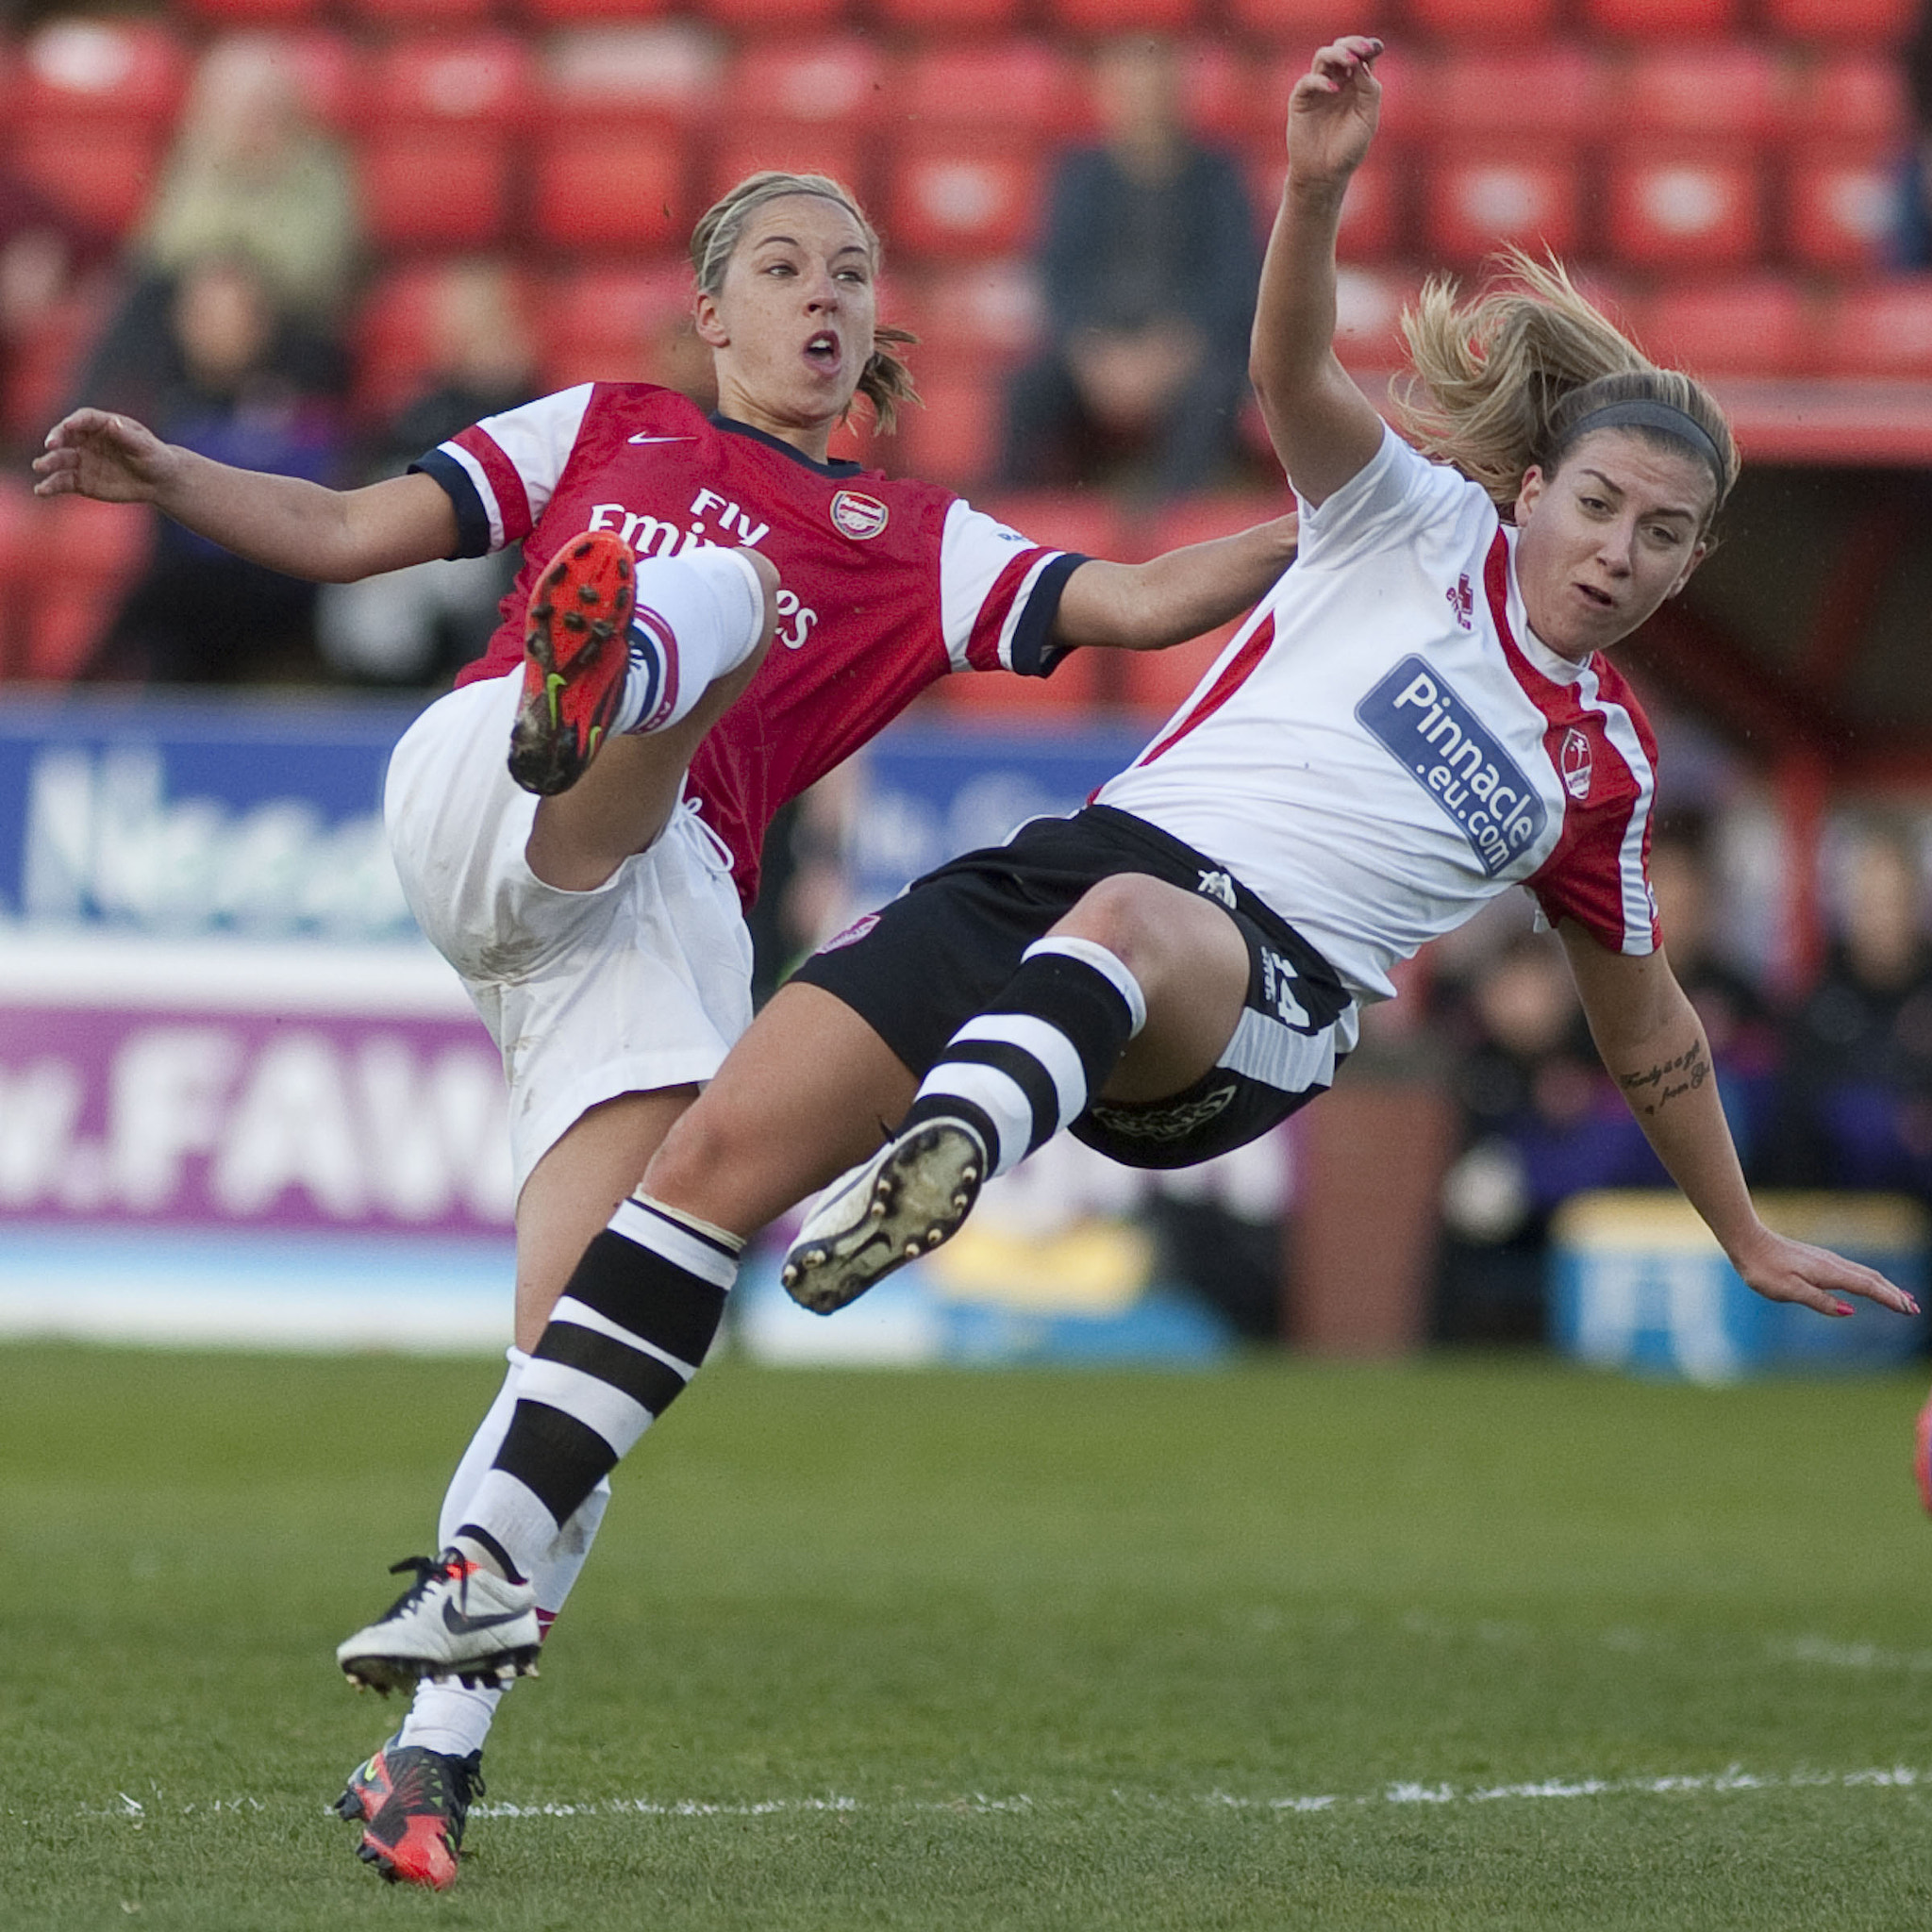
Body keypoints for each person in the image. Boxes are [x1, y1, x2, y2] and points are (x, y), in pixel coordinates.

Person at [328, 43, 1919, 1827]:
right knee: (700, 1167)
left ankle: (954, 1142)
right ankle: (465, 1624)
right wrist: (1311, 186)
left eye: (1665, 536)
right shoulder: (1405, 519)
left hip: (1254, 999)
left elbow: (1651, 1033)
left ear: (1693, 567)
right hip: (1065, 883)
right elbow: (1283, 370)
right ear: (1533, 485)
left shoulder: (1606, 766)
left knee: (1132, 920)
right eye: (1601, 504)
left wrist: (1740, 1225)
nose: (1620, 551)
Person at [38, 169, 1297, 1888]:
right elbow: (344, 531)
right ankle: (605, 679)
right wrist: (169, 472)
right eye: (780, 267)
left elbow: (1141, 600)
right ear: (711, 313)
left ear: (869, 324)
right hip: (493, 772)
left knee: (596, 1351)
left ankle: (427, 1760)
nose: (820, 293)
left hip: (643, 912)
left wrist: (1350, 524)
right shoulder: (605, 422)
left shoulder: (919, 542)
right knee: (711, 601)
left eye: (851, 270)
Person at [997, 32, 1260, 503]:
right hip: (1094, 352)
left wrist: (1173, 353)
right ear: (1108, 97)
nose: (1145, 104)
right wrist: (1094, 355)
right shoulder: (1077, 175)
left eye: (1156, 90)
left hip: (1189, 353)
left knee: (1217, 391)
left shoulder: (1220, 176)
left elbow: (1234, 278)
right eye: (1131, 90)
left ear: (1179, 94)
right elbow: (1058, 276)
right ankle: (1017, 530)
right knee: (1024, 389)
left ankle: (1171, 526)